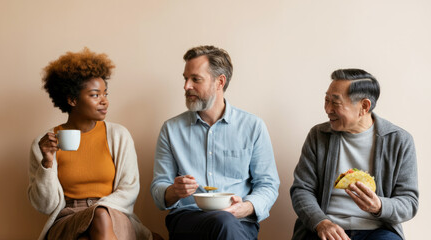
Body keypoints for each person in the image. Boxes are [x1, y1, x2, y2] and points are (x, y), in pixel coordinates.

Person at [150, 45, 280, 240]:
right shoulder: (171, 129)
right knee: (223, 222)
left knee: (226, 223)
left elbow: (268, 184)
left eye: (195, 79)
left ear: (220, 82)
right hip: (188, 219)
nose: (186, 86)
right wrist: (174, 191)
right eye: (185, 78)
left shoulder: (253, 126)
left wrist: (245, 208)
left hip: (239, 221)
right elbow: (159, 189)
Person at [28, 48, 155, 240]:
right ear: (72, 99)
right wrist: (47, 162)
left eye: (105, 94)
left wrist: (98, 209)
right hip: (67, 218)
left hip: (114, 212)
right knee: (97, 220)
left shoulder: (118, 135)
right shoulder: (44, 143)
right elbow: (45, 206)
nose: (105, 101)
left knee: (99, 218)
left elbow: (129, 189)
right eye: (95, 95)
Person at [290, 69, 419, 240]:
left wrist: (379, 206)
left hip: (378, 230)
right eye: (326, 100)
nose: (327, 109)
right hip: (325, 227)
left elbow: (409, 202)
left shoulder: (399, 140)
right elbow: (301, 190)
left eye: (335, 103)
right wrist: (322, 223)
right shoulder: (318, 135)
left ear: (364, 107)